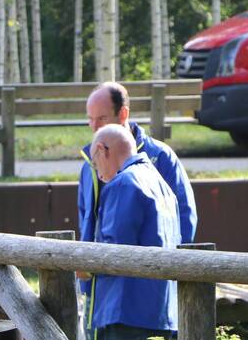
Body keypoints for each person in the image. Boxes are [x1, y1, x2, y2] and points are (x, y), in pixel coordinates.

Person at [82, 124, 181, 340]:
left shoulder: (122, 184)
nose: (99, 173)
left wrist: (82, 266)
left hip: (125, 310)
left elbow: (112, 251)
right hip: (161, 312)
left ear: (102, 150)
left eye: (95, 163)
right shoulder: (163, 186)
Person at [79, 81, 197, 247]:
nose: (95, 127)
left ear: (123, 114)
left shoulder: (160, 156)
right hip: (101, 267)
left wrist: (176, 264)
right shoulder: (89, 162)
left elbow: (184, 214)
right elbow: (86, 217)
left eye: (102, 118)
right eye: (90, 119)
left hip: (144, 267)